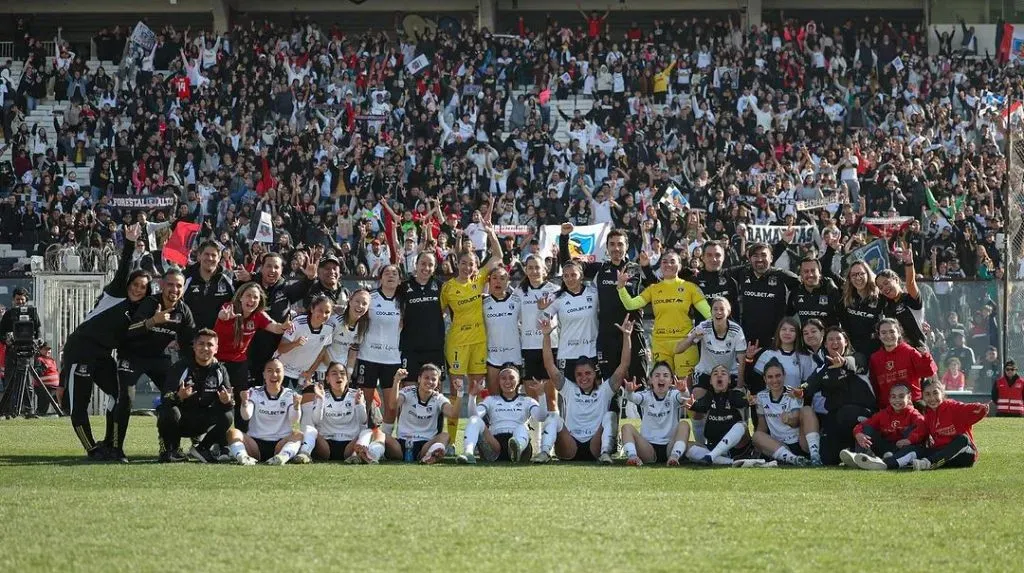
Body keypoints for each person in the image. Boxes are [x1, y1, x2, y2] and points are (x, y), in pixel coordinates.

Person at [61, 223, 151, 460]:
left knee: (118, 395)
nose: (138, 290)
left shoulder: (138, 312)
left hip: (102, 356)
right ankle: (92, 449)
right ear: (128, 284)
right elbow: (124, 268)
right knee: (80, 404)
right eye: (135, 284)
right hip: (80, 350)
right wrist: (130, 242)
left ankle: (111, 442)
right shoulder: (115, 293)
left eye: (143, 287)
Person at [114, 268, 196, 462]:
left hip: (158, 358)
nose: (174, 289)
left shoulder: (183, 311)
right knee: (126, 398)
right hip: (132, 356)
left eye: (179, 286)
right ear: (161, 285)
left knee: (173, 396)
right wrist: (152, 321)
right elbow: (129, 331)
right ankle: (116, 449)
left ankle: (169, 449)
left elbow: (190, 343)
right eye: (170, 284)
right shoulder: (150, 303)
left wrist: (202, 363)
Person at [559, 224, 650, 386]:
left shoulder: (637, 269)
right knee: (610, 387)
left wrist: (648, 268)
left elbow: (657, 286)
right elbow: (569, 266)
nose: (616, 248)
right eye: (612, 244)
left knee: (640, 384)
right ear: (607, 247)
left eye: (620, 244)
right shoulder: (599, 268)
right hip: (608, 336)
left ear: (627, 246)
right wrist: (564, 237)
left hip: (634, 333)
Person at [534, 316, 633, 464]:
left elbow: (624, 365)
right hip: (569, 446)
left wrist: (627, 336)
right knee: (554, 417)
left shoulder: (605, 389)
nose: (583, 378)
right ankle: (544, 453)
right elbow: (549, 365)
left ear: (595, 374)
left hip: (595, 445)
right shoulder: (569, 388)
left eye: (588, 373)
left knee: (610, 415)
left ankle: (606, 453)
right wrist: (546, 336)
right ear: (574, 376)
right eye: (579, 374)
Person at [440, 225, 502, 450]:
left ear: (477, 266)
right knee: (457, 393)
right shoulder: (448, 288)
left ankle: (477, 440)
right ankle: (451, 441)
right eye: (464, 263)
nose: (468, 267)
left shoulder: (479, 280)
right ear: (458, 264)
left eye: (472, 263)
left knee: (478, 391)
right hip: (457, 344)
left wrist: (491, 233)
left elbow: (497, 256)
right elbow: (438, 315)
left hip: (479, 342)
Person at [617, 251, 711, 378]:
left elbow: (709, 314)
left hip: (685, 343)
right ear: (660, 266)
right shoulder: (653, 288)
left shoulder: (690, 287)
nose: (668, 265)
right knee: (663, 388)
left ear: (680, 265)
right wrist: (621, 288)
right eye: (664, 261)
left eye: (672, 261)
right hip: (660, 344)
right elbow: (631, 305)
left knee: (686, 388)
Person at [214, 282, 292, 431]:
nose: (252, 300)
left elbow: (274, 327)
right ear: (240, 297)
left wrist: (283, 327)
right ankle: (218, 442)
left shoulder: (258, 315)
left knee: (243, 399)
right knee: (222, 401)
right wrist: (223, 317)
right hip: (219, 362)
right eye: (248, 295)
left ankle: (242, 438)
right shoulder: (229, 307)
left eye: (255, 297)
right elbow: (221, 315)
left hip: (239, 363)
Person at [675, 296, 746, 444]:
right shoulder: (703, 327)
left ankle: (739, 446)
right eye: (715, 309)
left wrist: (739, 386)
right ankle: (701, 445)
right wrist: (692, 337)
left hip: (729, 374)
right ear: (711, 311)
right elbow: (678, 349)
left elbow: (742, 361)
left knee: (738, 406)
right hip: (706, 372)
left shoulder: (736, 330)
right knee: (697, 406)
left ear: (728, 311)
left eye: (722, 309)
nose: (718, 312)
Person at [156, 329, 234, 463]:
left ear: (216, 349)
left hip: (203, 421)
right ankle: (171, 449)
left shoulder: (220, 370)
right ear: (194, 346)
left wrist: (227, 401)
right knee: (168, 411)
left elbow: (230, 400)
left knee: (228, 414)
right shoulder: (180, 367)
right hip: (181, 420)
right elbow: (165, 398)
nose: (205, 348)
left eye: (210, 345)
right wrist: (178, 396)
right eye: (201, 344)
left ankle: (202, 448)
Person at [801, 327, 876, 464]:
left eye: (838, 339)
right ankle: (847, 453)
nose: (834, 342)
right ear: (825, 343)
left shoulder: (858, 358)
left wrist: (844, 363)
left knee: (846, 413)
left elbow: (854, 363)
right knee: (827, 458)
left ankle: (865, 453)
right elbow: (808, 386)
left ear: (846, 342)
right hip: (837, 418)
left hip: (863, 416)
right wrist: (799, 391)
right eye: (830, 339)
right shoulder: (822, 369)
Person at [299, 362, 385, 464]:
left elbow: (363, 421)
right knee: (310, 429)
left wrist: (359, 404)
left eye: (342, 373)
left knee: (367, 432)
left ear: (347, 378)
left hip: (350, 445)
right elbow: (316, 421)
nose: (339, 376)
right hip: (326, 445)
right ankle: (304, 454)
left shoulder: (356, 394)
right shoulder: (322, 395)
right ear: (327, 378)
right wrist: (320, 401)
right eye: (334, 373)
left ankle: (356, 456)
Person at [225, 359, 305, 465]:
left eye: (278, 371)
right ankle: (243, 457)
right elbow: (246, 416)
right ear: (264, 374)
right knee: (232, 432)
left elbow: (294, 420)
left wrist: (296, 406)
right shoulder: (254, 392)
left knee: (298, 434)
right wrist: (244, 402)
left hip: (280, 444)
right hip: (255, 444)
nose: (274, 374)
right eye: (270, 371)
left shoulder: (290, 394)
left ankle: (282, 457)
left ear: (283, 374)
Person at [459, 366, 546, 464]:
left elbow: (541, 417)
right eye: (503, 378)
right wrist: (472, 396)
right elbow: (474, 416)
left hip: (519, 441)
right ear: (499, 382)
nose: (507, 381)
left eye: (512, 378)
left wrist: (542, 395)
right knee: (474, 420)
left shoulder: (528, 401)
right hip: (494, 446)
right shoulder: (490, 400)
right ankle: (468, 453)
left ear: (518, 381)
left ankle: (517, 449)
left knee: (522, 427)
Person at [356, 264, 403, 434]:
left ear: (399, 280)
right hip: (368, 356)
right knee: (364, 403)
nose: (391, 275)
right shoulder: (370, 298)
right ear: (381, 277)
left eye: (395, 273)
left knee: (391, 406)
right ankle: (360, 438)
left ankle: (386, 440)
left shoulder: (403, 301)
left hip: (392, 359)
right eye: (387, 273)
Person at [726, 242, 800, 349]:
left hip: (775, 339)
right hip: (748, 338)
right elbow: (721, 274)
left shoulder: (781, 276)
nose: (760, 259)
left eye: (764, 255)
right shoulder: (742, 272)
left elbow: (801, 286)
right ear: (750, 259)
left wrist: (789, 311)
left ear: (771, 258)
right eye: (755, 256)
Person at [902, 381, 990, 470]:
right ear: (923, 396)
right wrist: (909, 440)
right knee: (920, 448)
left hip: (964, 454)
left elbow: (968, 409)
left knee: (963, 439)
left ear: (942, 393)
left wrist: (981, 408)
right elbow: (921, 431)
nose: (932, 398)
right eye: (927, 394)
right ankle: (897, 461)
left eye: (935, 393)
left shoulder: (953, 407)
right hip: (943, 454)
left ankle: (928, 463)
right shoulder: (928, 414)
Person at [384, 365, 463, 464]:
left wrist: (460, 393)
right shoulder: (408, 391)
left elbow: (453, 414)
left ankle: (430, 456)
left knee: (445, 436)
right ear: (419, 379)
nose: (430, 381)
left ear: (438, 383)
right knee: (380, 435)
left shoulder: (438, 398)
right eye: (426, 378)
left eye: (433, 379)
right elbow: (393, 405)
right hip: (401, 444)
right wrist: (397, 381)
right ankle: (371, 454)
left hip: (425, 446)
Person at [619, 361, 693, 466]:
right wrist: (629, 392)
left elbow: (684, 396)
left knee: (684, 424)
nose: (661, 378)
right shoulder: (646, 396)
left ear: (671, 380)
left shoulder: (674, 395)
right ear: (651, 380)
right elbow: (633, 397)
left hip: (670, 446)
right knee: (626, 427)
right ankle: (633, 457)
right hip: (648, 448)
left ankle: (675, 457)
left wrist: (684, 390)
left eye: (666, 375)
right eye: (657, 375)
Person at [687, 364, 760, 466]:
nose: (719, 376)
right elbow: (700, 406)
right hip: (714, 445)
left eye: (723, 373)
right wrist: (692, 405)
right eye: (715, 374)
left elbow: (741, 401)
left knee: (742, 425)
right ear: (710, 381)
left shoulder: (734, 394)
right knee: (688, 447)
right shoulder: (708, 397)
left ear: (729, 380)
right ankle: (730, 462)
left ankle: (711, 457)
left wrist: (748, 400)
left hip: (737, 449)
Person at [842, 383, 926, 471]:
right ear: (889, 399)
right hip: (886, 447)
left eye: (901, 396)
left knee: (914, 439)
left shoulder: (913, 414)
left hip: (903, 448)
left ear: (909, 397)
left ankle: (880, 461)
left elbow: (923, 426)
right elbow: (863, 425)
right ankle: (860, 457)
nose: (897, 400)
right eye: (893, 397)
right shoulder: (883, 413)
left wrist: (910, 440)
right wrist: (858, 433)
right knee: (865, 430)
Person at [539, 260, 599, 381]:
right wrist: (543, 310)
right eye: (566, 276)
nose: (569, 279)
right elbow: (542, 320)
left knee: (594, 394)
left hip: (591, 353)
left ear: (581, 276)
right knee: (570, 396)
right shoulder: (557, 297)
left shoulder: (594, 293)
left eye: (573, 275)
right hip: (568, 354)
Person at [516, 255, 562, 412]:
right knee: (532, 400)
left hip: (550, 347)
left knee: (551, 399)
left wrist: (543, 310)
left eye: (537, 267)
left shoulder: (555, 291)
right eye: (530, 268)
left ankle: (553, 436)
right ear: (525, 270)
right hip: (528, 349)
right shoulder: (519, 292)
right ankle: (534, 437)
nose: (534, 271)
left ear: (545, 269)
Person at [751, 359, 815, 466]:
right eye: (770, 377)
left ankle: (814, 457)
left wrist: (789, 420)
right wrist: (758, 444)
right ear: (765, 379)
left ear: (784, 375)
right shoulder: (761, 397)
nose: (775, 380)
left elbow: (796, 422)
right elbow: (762, 426)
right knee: (756, 436)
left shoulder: (793, 393)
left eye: (778, 375)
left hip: (798, 442)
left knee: (807, 409)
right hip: (778, 445)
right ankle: (794, 459)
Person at [397, 252, 447, 390]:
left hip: (435, 347)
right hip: (410, 348)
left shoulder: (441, 286)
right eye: (423, 264)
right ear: (416, 265)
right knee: (409, 390)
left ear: (435, 267)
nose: (426, 268)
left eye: (430, 264)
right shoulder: (403, 287)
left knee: (435, 390)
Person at [869, 318, 937, 411]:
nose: (888, 335)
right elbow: (875, 385)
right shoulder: (875, 358)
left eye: (892, 331)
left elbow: (928, 372)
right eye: (884, 332)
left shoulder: (910, 351)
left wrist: (926, 357)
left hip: (912, 405)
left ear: (899, 333)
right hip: (888, 409)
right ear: (879, 336)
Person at [273, 294, 334, 388]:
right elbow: (281, 349)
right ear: (312, 309)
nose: (323, 315)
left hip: (301, 376)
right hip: (281, 370)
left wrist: (310, 372)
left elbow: (322, 352)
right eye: (320, 311)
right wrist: (295, 344)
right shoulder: (297, 323)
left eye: (327, 312)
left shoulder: (329, 328)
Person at [482, 267, 522, 394]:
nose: (498, 282)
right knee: (494, 398)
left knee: (512, 398)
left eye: (502, 278)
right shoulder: (483, 303)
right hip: (493, 358)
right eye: (494, 278)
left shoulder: (517, 301)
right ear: (489, 281)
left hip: (514, 357)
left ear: (508, 281)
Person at [876, 247, 926, 348]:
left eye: (886, 283)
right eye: (881, 287)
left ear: (896, 280)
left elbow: (911, 284)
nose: (884, 288)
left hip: (917, 350)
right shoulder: (885, 304)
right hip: (895, 352)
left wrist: (908, 263)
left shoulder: (909, 299)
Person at [181, 239, 235, 331]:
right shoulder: (185, 277)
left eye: (213, 255)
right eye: (206, 254)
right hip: (191, 336)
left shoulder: (230, 277)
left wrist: (251, 277)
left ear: (219, 258)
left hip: (218, 336)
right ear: (199, 256)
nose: (210, 258)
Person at [839, 261, 885, 357]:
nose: (858, 277)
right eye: (854, 275)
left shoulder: (880, 297)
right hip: (852, 351)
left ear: (868, 275)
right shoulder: (846, 296)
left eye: (861, 273)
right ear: (850, 278)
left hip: (876, 351)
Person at [325, 288, 370, 375]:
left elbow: (352, 355)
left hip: (341, 373)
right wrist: (333, 370)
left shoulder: (362, 327)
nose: (360, 306)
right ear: (350, 301)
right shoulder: (335, 321)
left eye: (364, 304)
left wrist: (348, 374)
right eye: (357, 301)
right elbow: (322, 350)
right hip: (325, 369)